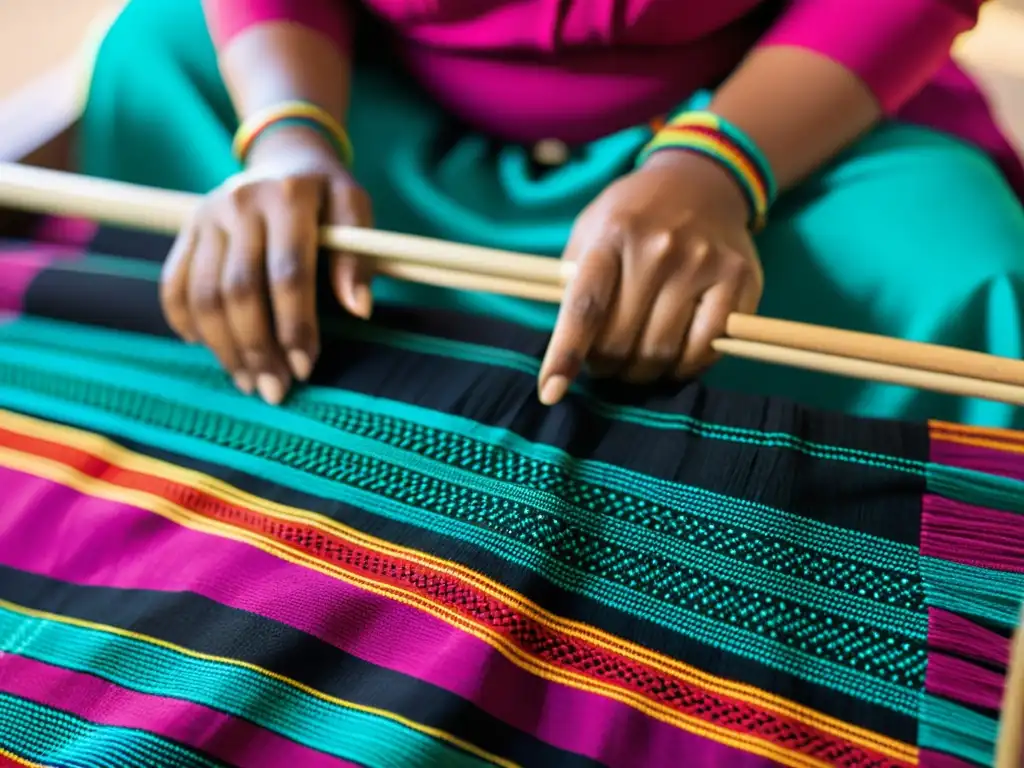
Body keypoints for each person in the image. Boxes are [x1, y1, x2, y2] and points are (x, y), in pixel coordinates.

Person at [79, 0, 1024, 425]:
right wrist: (289, 138)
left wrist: (716, 168)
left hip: (763, 116)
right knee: (151, 61)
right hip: (366, 103)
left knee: (958, 262)